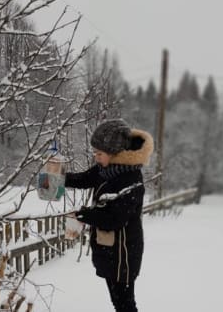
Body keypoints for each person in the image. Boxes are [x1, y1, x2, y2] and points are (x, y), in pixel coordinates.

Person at [65, 119, 154, 312]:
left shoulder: (131, 180)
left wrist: (84, 215)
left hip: (123, 252)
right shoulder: (106, 169)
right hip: (110, 249)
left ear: (115, 154)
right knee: (118, 302)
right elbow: (85, 179)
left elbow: (115, 219)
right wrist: (59, 177)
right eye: (95, 153)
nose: (96, 158)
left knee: (124, 304)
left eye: (99, 154)